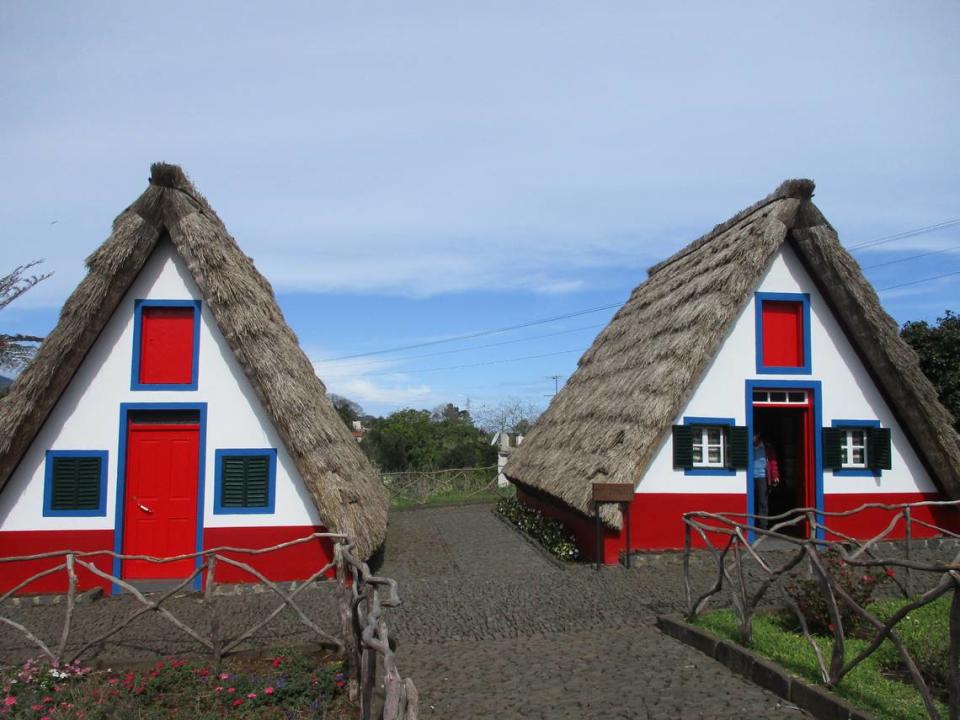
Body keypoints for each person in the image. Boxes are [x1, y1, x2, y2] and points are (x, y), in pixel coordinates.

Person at [753, 432, 780, 529]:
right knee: (752, 500)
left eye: (754, 435)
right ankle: (752, 524)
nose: (752, 437)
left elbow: (773, 462)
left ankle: (763, 526)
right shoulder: (748, 446)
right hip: (749, 477)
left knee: (762, 501)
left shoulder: (767, 448)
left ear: (758, 436)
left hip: (762, 476)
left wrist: (775, 476)